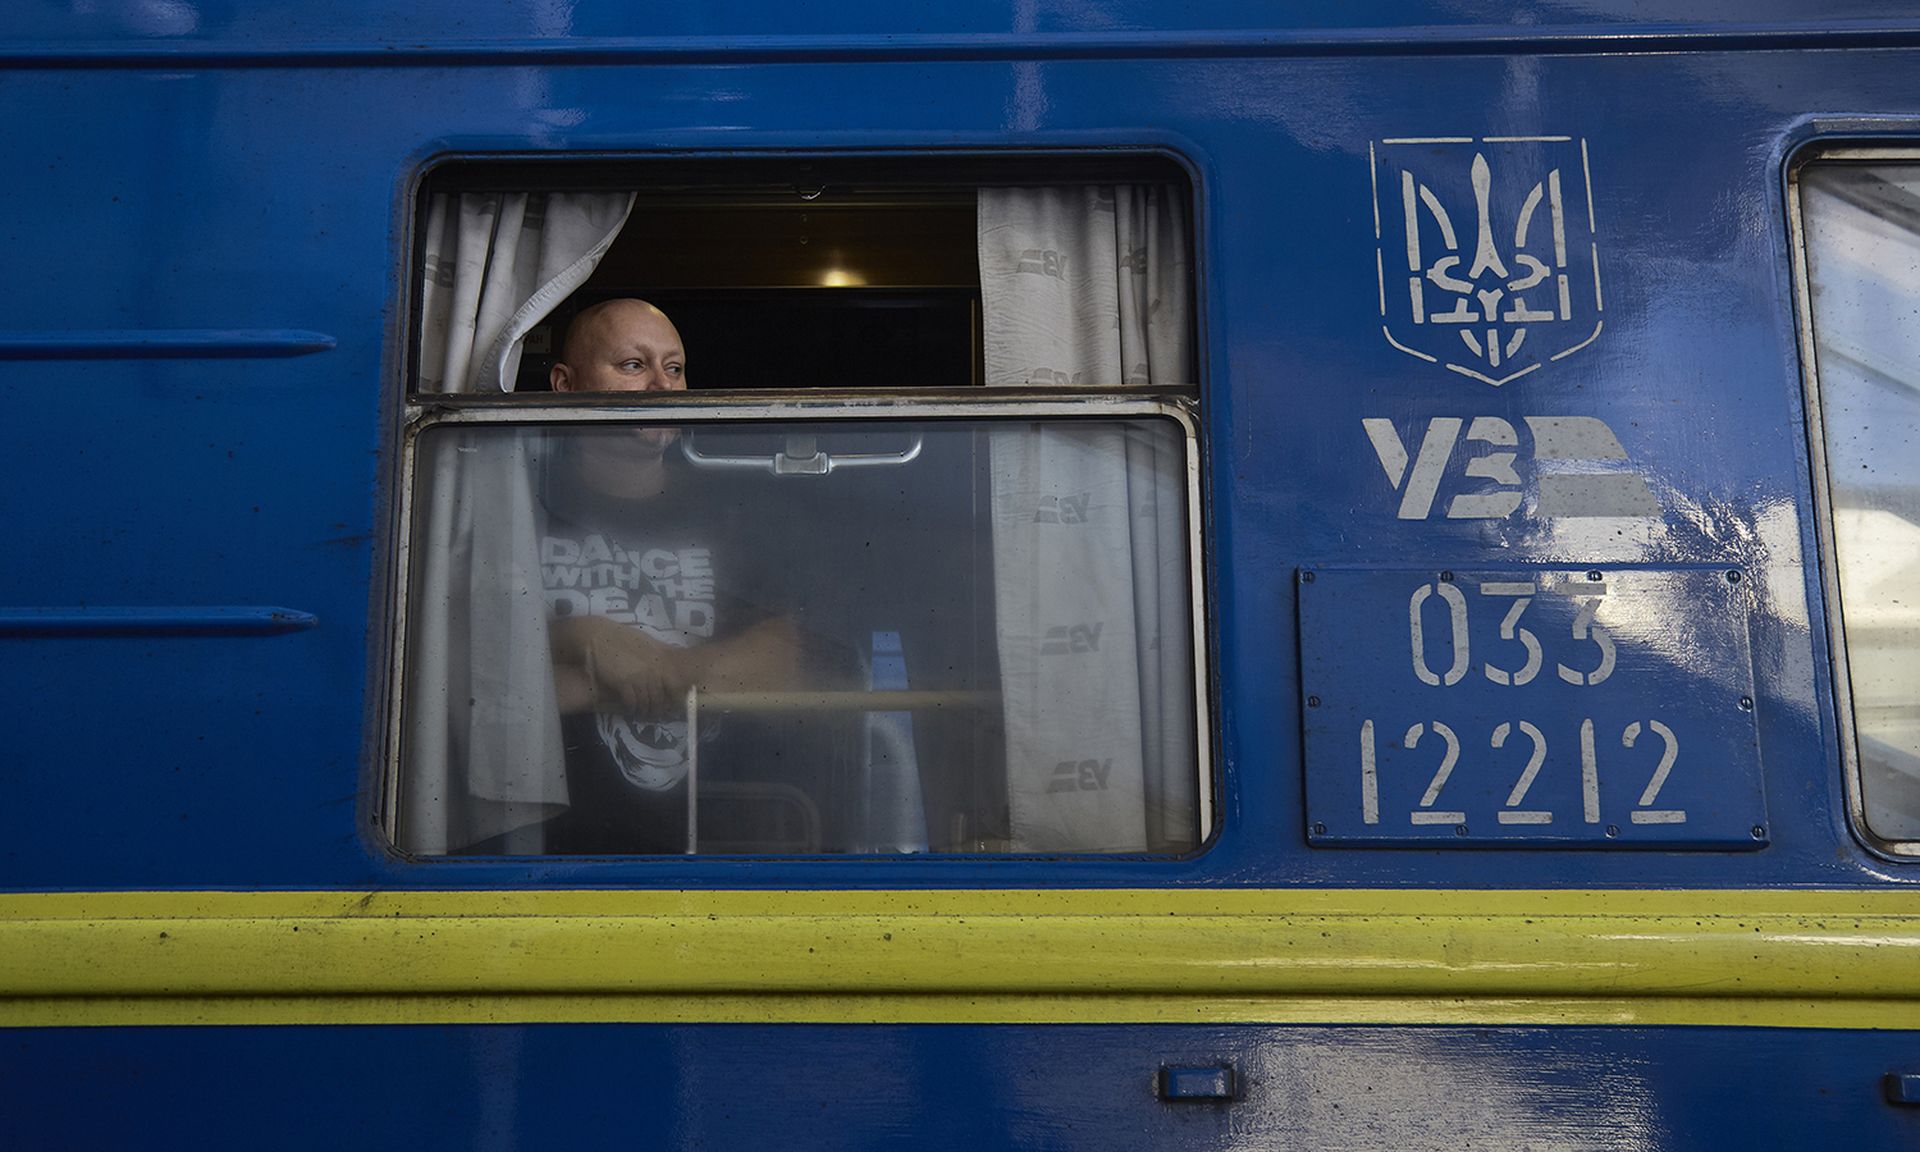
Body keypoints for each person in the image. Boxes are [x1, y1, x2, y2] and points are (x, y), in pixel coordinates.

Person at [534, 298, 811, 852]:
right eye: (633, 366)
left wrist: (611, 674)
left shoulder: (734, 511)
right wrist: (584, 635)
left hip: (710, 840)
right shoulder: (514, 500)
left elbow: (778, 664)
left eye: (674, 368)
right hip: (535, 846)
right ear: (565, 384)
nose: (662, 384)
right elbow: (466, 662)